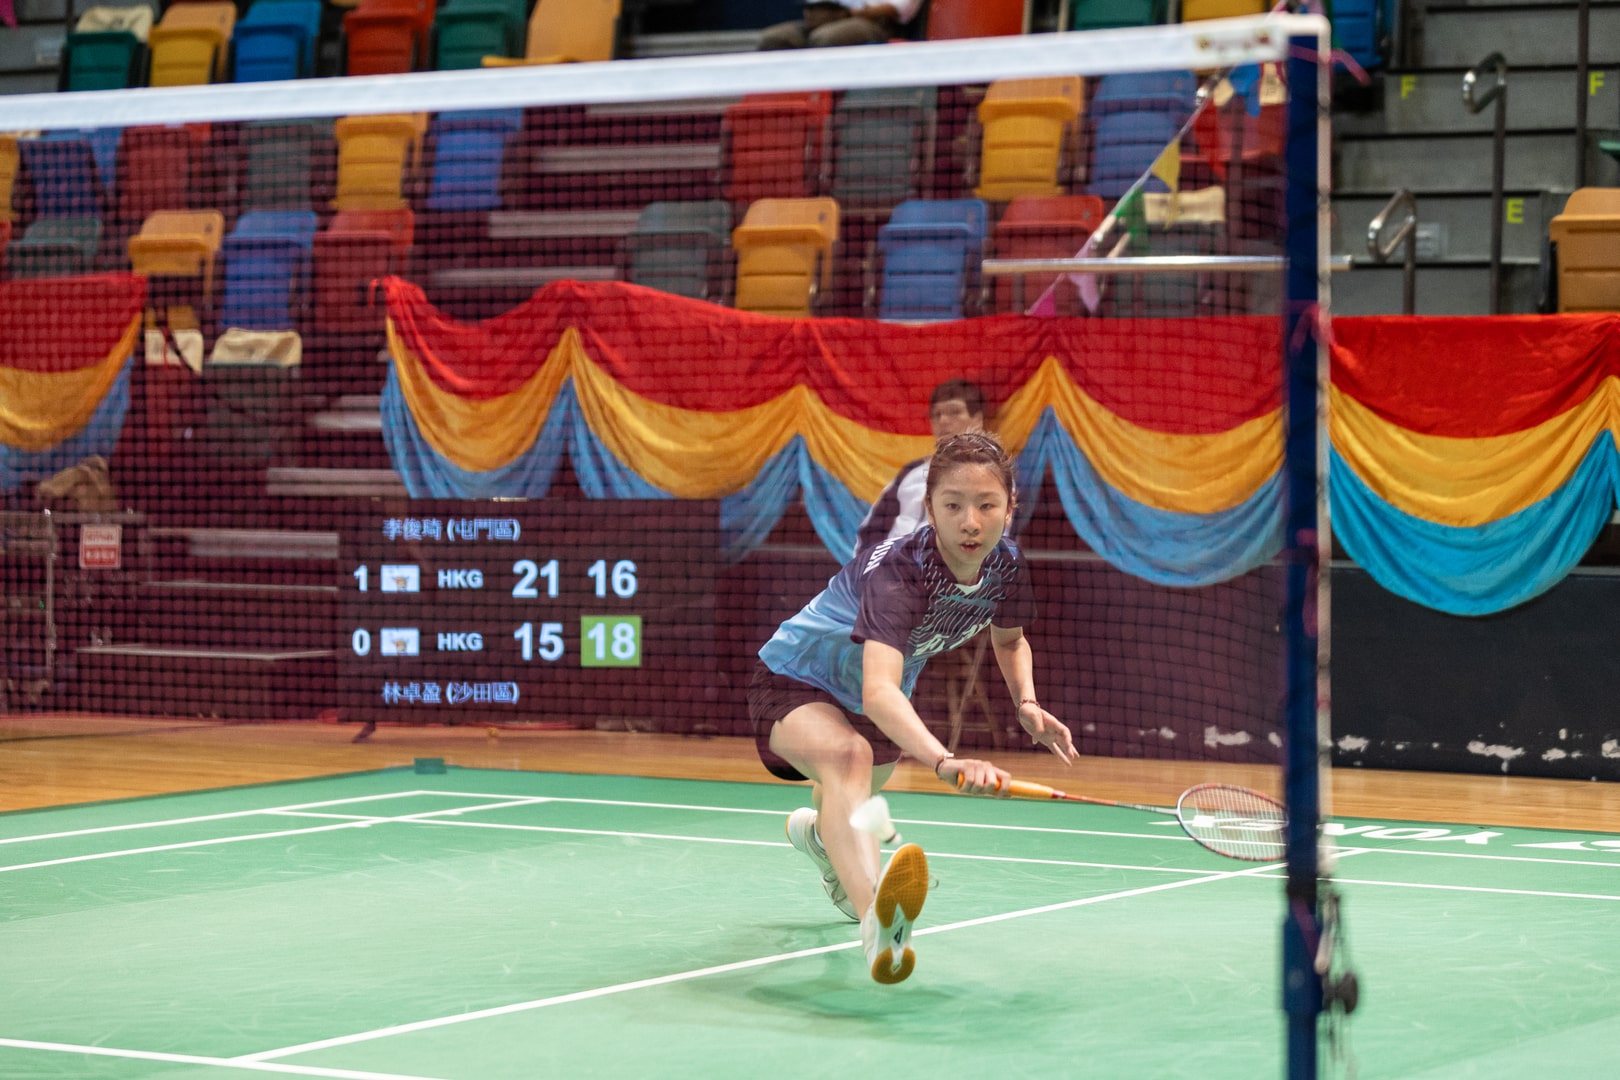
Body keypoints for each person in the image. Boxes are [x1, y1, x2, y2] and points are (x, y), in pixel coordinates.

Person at [749, 430, 1076, 984]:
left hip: (872, 699)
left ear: (1009, 507)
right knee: (848, 759)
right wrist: (943, 760)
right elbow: (879, 691)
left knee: (851, 793)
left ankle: (820, 839)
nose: (970, 522)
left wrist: (1027, 701)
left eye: (986, 505)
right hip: (796, 676)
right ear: (929, 507)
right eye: (953, 506)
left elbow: (1010, 639)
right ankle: (877, 922)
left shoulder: (1007, 565)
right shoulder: (900, 572)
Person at [855, 378, 986, 553]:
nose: (943, 420)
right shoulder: (911, 472)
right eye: (936, 415)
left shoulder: (994, 476)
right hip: (891, 566)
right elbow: (871, 534)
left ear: (977, 420)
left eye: (954, 412)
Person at [758, 1, 924, 50]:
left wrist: (852, 12)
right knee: (774, 38)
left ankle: (821, 100)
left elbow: (898, 9)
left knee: (824, 38)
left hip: (875, 22)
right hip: (828, 17)